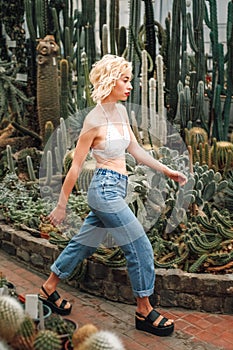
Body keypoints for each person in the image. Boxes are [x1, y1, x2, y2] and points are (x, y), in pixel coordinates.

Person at [39, 54, 187, 336]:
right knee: (139, 244)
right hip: (104, 189)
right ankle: (144, 310)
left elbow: (136, 149)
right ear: (110, 80)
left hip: (118, 186)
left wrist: (167, 170)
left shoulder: (120, 112)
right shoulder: (93, 122)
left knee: (83, 244)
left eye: (129, 79)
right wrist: (61, 205)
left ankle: (48, 288)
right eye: (125, 79)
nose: (130, 85)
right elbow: (76, 168)